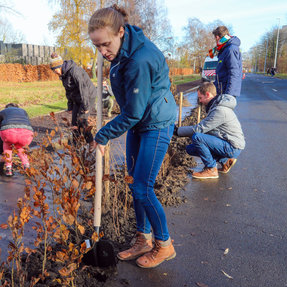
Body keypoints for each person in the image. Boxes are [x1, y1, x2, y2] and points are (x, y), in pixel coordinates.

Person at [88, 5, 178, 268]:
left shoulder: (139, 59)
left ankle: (164, 244)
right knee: (133, 182)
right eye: (97, 46)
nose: (102, 52)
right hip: (141, 121)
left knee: (142, 187)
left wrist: (103, 135)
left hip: (155, 123)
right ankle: (143, 238)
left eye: (105, 44)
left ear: (120, 31)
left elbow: (134, 113)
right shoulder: (122, 50)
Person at [175, 81, 245, 179]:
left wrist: (177, 131)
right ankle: (225, 161)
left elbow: (199, 129)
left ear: (207, 94)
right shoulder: (216, 106)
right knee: (190, 149)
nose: (200, 101)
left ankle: (211, 169)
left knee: (198, 137)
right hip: (228, 142)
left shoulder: (219, 110)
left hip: (233, 146)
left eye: (200, 98)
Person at [49, 52, 97, 147]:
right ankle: (76, 146)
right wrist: (70, 106)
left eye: (55, 69)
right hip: (77, 99)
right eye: (53, 70)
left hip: (88, 96)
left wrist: (86, 106)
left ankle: (91, 142)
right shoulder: (63, 75)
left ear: (60, 66)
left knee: (81, 121)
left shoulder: (75, 71)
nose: (55, 72)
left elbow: (83, 88)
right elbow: (68, 91)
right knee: (74, 123)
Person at [0, 103, 34, 176]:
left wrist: (1, 154)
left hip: (9, 133)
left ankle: (8, 168)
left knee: (7, 143)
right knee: (20, 146)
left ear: (6, 108)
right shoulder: (23, 111)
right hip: (26, 134)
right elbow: (28, 124)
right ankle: (26, 166)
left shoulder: (2, 112)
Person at [210, 26, 242, 97]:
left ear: (217, 37)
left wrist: (228, 95)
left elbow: (234, 72)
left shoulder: (230, 49)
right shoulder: (225, 49)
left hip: (226, 93)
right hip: (223, 91)